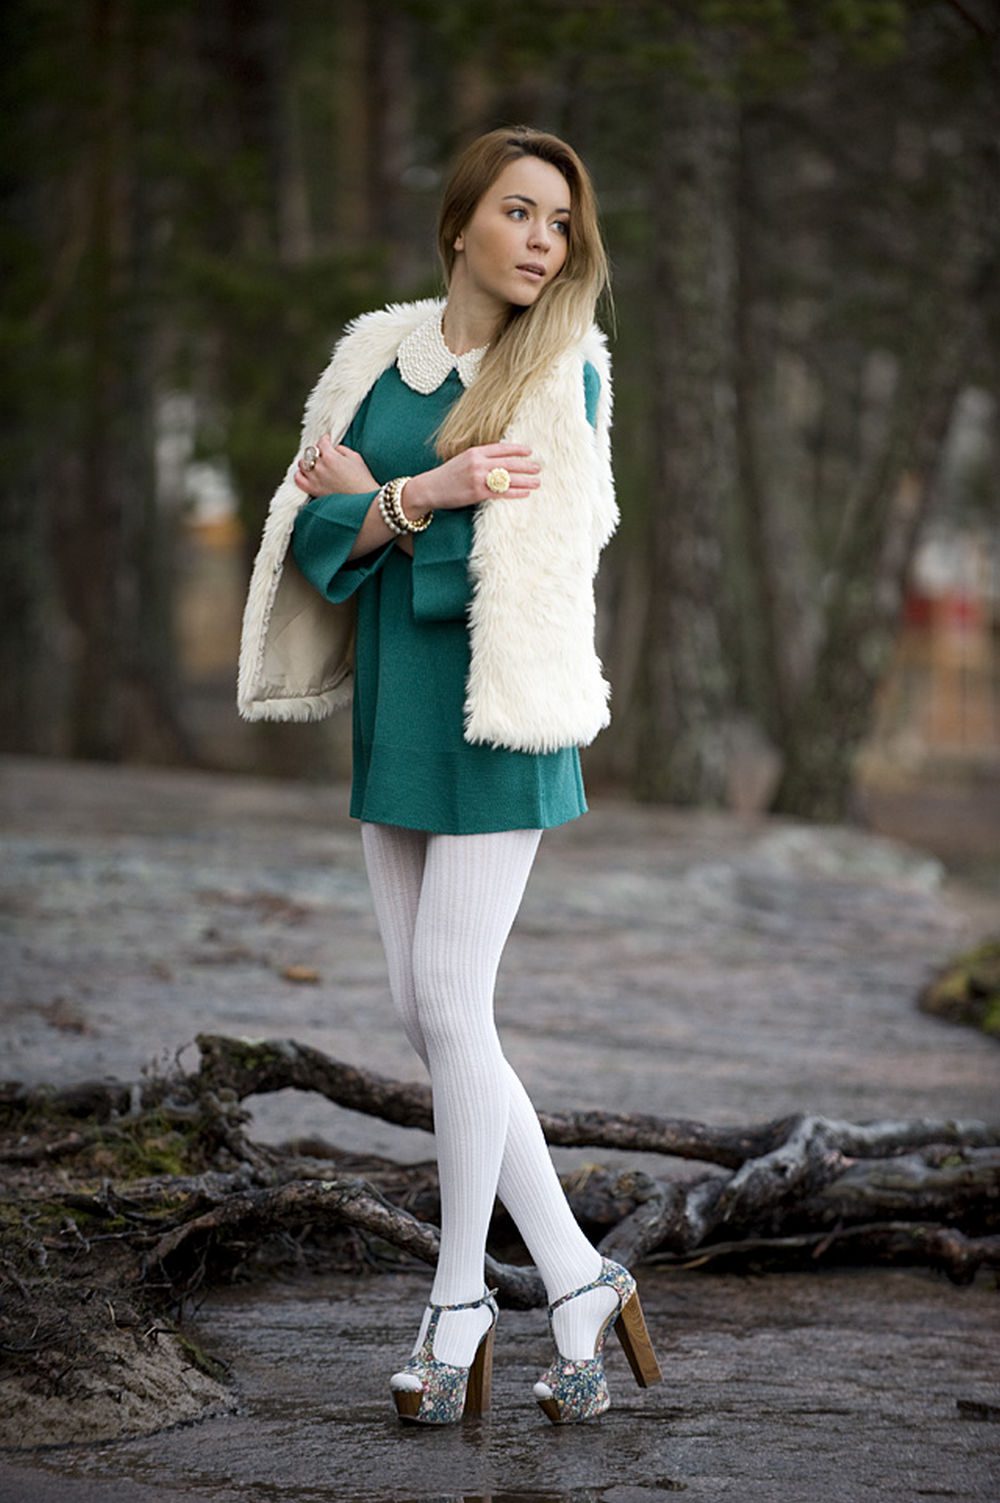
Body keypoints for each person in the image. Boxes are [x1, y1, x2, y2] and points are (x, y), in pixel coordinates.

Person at [236, 125, 662, 1425]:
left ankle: (463, 1294)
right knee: (432, 1021)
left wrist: (394, 504)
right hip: (397, 723)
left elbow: (537, 562)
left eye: (560, 223)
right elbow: (316, 531)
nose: (543, 240)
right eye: (521, 212)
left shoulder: (567, 375)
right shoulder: (378, 355)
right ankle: (583, 1278)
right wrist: (428, 497)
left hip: (500, 720)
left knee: (447, 1003)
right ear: (461, 221)